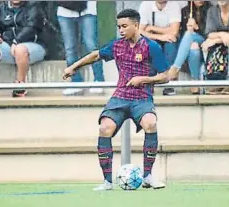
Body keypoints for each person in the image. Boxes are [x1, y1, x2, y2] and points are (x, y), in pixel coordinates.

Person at [63, 9, 171, 191]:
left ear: (136, 25)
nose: (120, 30)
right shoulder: (117, 45)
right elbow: (96, 55)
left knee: (150, 123)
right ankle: (107, 182)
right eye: (119, 26)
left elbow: (166, 76)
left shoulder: (151, 46)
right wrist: (73, 67)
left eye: (124, 26)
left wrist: (143, 79)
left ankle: (148, 176)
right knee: (105, 128)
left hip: (142, 97)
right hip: (120, 96)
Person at [0, 1, 46, 98]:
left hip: (33, 45)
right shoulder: (2, 7)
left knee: (20, 49)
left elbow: (32, 27)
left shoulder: (33, 5)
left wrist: (16, 41)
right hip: (10, 46)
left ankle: (20, 87)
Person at [57, 1, 105, 96]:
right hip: (64, 11)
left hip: (88, 10)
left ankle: (99, 80)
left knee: (91, 45)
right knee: (70, 49)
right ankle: (76, 82)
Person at [138, 0, 181, 96]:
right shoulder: (146, 5)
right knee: (150, 46)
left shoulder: (173, 5)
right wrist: (161, 36)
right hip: (153, 38)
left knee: (171, 45)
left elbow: (174, 31)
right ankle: (148, 83)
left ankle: (169, 84)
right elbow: (139, 31)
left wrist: (152, 28)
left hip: (169, 39)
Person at [169, 1, 211, 94]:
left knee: (189, 35)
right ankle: (194, 81)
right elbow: (183, 37)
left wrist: (197, 27)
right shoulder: (185, 11)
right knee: (193, 46)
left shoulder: (210, 9)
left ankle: (176, 67)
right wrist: (187, 28)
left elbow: (210, 31)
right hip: (192, 43)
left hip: (206, 41)